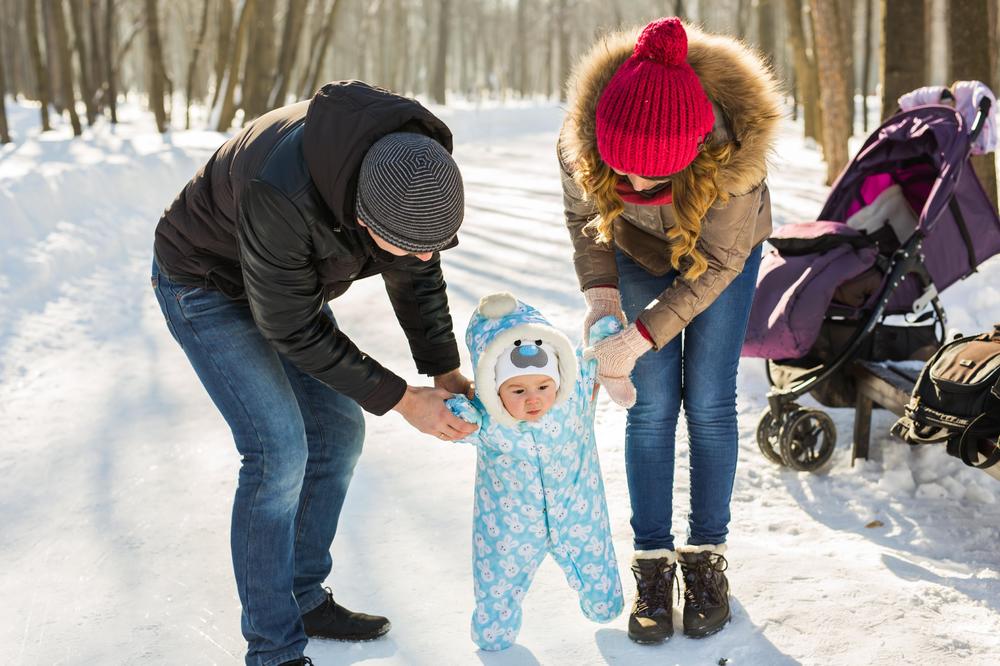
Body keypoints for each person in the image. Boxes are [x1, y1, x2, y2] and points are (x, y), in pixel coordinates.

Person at [151, 80, 477, 666]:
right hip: (204, 281)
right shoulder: (282, 190)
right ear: (359, 214)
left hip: (282, 282)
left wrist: (444, 370)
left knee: (339, 432)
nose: (425, 256)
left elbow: (415, 272)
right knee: (278, 452)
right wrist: (405, 400)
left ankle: (301, 597)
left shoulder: (410, 169)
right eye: (407, 245)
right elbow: (292, 327)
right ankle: (273, 650)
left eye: (435, 244)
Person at [558, 18, 783, 643]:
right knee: (650, 404)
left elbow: (713, 266)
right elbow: (584, 216)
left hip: (721, 258)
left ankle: (706, 556)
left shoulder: (735, 156)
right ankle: (653, 563)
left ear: (692, 157)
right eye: (620, 176)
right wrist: (603, 299)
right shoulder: (582, 138)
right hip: (633, 251)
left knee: (708, 402)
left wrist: (642, 334)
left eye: (650, 180)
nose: (631, 188)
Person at [445, 292, 624, 650]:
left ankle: (604, 605)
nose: (533, 398)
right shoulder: (487, 420)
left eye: (543, 386)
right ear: (493, 388)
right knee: (497, 576)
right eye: (517, 389)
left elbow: (591, 362)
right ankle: (494, 632)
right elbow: (460, 422)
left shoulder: (572, 398)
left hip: (579, 510)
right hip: (509, 523)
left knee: (596, 567)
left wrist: (605, 337)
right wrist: (459, 413)